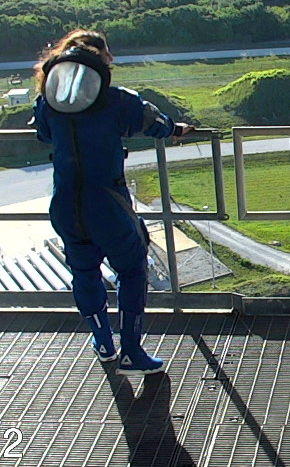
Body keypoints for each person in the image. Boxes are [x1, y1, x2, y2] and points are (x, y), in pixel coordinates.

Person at [32, 29, 193, 376]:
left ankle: (103, 342)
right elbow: (156, 123)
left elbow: (43, 133)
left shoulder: (48, 101)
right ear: (101, 61)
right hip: (106, 201)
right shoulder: (117, 100)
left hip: (65, 201)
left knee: (84, 271)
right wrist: (176, 129)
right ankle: (131, 350)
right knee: (132, 267)